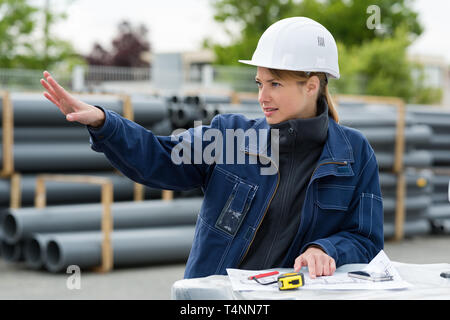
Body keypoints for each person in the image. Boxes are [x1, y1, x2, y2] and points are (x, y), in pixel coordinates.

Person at [40, 17, 383, 279]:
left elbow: (366, 239)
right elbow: (159, 159)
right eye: (260, 83)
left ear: (311, 86)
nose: (262, 96)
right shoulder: (230, 137)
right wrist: (104, 123)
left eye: (275, 84)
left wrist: (325, 248)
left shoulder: (354, 153)